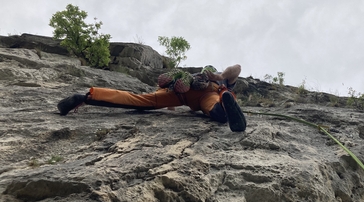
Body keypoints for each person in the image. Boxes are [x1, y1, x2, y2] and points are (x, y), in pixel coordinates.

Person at [57, 64, 247, 132]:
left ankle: (86, 97)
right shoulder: (222, 83)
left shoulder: (202, 78)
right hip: (205, 94)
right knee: (217, 108)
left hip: (182, 95)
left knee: (139, 100)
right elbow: (237, 68)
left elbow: (236, 67)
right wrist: (220, 78)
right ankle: (227, 109)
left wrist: (168, 100)